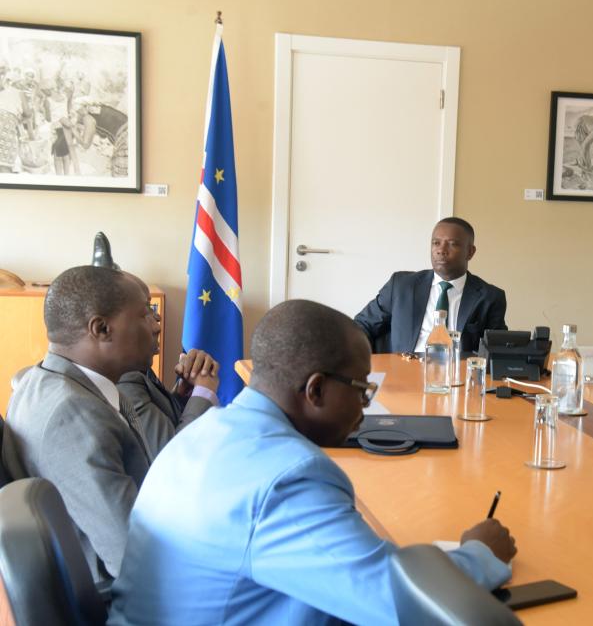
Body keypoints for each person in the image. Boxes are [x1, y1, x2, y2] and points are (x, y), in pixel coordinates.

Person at [109, 300, 516, 624]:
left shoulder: (205, 431)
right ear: (315, 389)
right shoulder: (289, 477)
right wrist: (479, 554)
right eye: (362, 391)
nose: (365, 408)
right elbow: (396, 604)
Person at [1, 266, 172, 584]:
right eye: (144, 314)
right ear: (101, 329)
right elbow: (131, 559)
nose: (156, 324)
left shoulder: (38, 379)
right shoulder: (75, 417)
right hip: (113, 594)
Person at [354, 217, 507, 353]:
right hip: (404, 368)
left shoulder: (489, 297)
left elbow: (497, 349)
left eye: (452, 244)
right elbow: (362, 325)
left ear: (470, 252)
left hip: (456, 371)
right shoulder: (401, 286)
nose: (441, 250)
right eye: (436, 243)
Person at [117, 285, 220, 438]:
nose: (158, 322)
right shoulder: (125, 381)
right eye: (146, 311)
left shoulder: (137, 366)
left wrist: (182, 393)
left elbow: (162, 423)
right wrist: (203, 391)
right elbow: (173, 450)